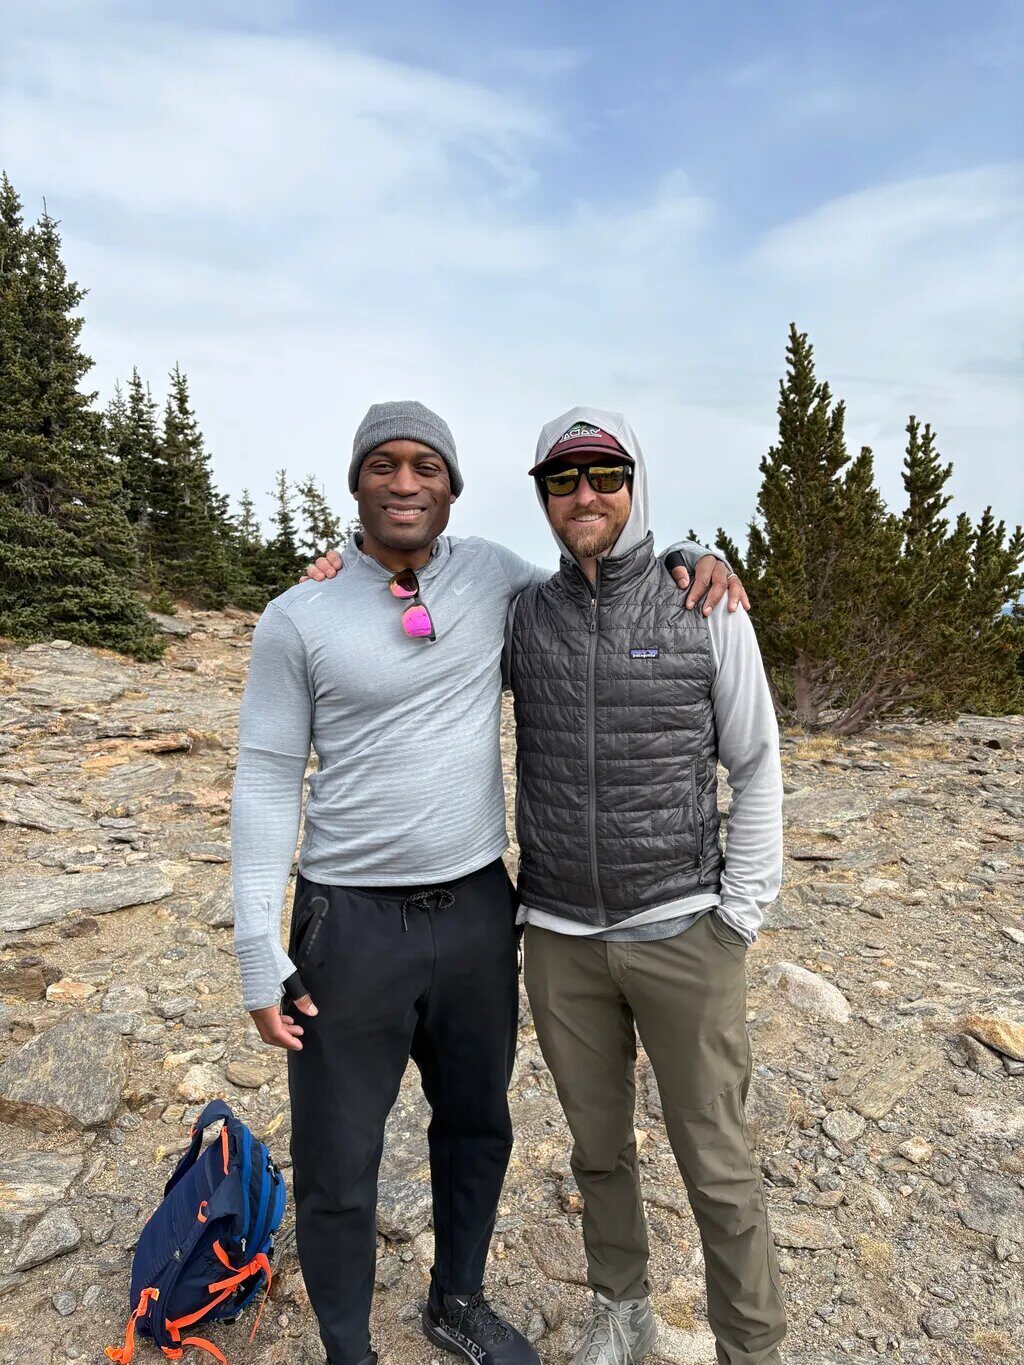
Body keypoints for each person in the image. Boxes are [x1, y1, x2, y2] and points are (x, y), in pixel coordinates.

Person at [231, 400, 744, 1365]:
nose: (405, 481)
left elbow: (602, 553)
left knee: (478, 1124)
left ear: (454, 488)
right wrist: (258, 946)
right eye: (382, 464)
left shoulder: (497, 580)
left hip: (477, 907)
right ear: (357, 483)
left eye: (426, 464)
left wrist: (694, 548)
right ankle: (349, 1347)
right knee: (341, 1157)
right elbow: (264, 779)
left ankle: (455, 1300)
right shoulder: (298, 615)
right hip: (349, 919)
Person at [508, 408, 787, 1364]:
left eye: (605, 474)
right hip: (557, 933)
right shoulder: (524, 613)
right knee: (598, 1149)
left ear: (634, 483)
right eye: (563, 478)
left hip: (682, 927)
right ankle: (621, 1311)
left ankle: (750, 1346)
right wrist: (345, 558)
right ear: (543, 495)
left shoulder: (705, 604)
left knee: (717, 1162)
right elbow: (421, 583)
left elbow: (756, 762)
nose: (585, 494)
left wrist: (739, 915)